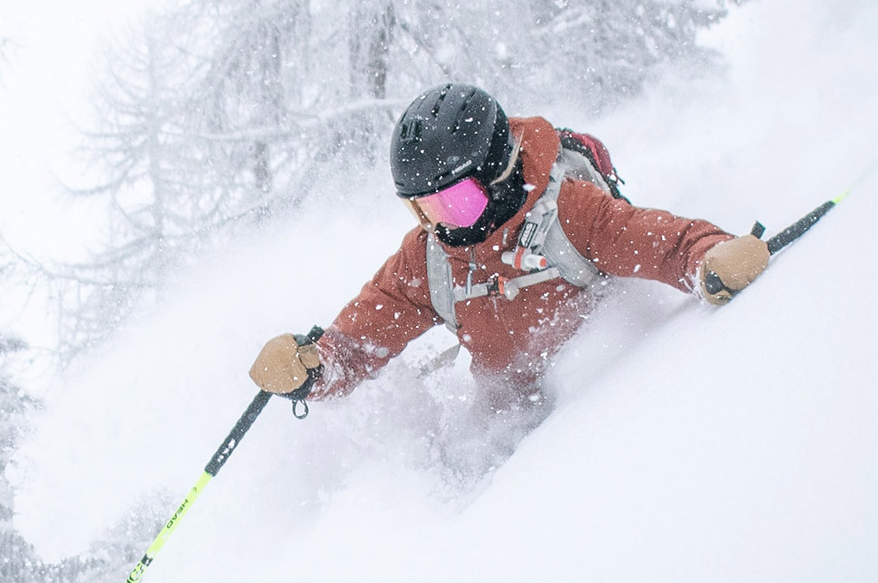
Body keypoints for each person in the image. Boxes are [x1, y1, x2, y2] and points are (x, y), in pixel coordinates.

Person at [249, 83, 769, 411]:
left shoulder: (570, 213)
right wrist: (313, 368)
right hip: (505, 424)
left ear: (498, 174)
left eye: (455, 203)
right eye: (423, 209)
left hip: (596, 403)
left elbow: (663, 242)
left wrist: (711, 257)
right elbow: (361, 343)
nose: (441, 225)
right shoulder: (430, 258)